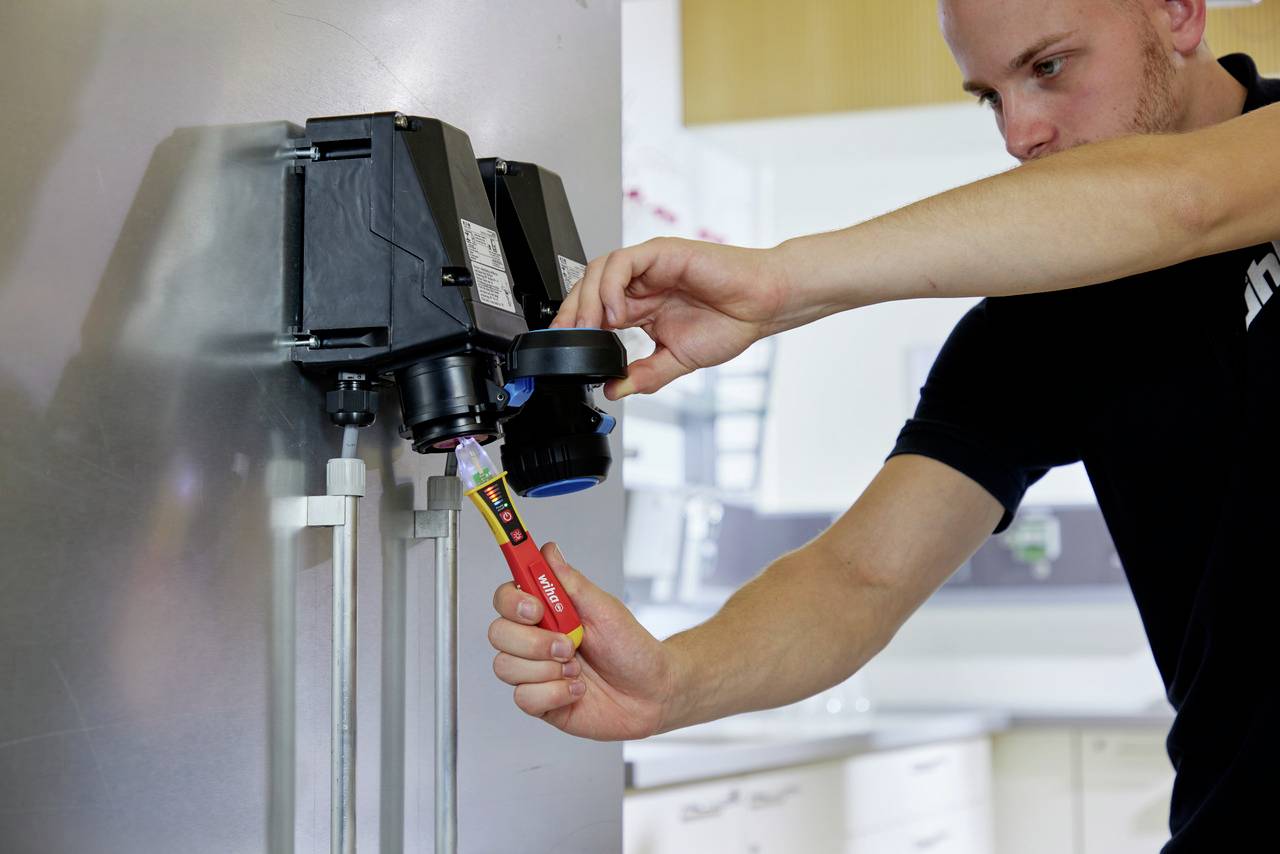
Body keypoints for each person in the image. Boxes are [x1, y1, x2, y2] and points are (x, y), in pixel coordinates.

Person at [486, 1, 1279, 848]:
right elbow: (860, 576)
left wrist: (782, 282)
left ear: (1179, 13)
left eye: (1048, 67)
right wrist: (674, 681)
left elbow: (1182, 203)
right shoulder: (1044, 319)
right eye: (990, 96)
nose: (1020, 133)